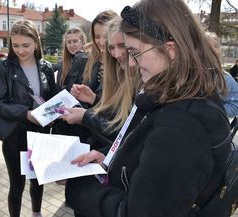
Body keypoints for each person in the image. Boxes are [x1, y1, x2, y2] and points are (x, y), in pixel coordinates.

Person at [65, 1, 231, 217]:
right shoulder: (178, 96)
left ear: (169, 50)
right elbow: (147, 154)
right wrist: (108, 158)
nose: (131, 63)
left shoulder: (182, 127)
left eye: (134, 52)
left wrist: (81, 189)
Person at [0, 20, 56, 217]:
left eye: (26, 45)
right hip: (16, 137)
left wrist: (53, 115)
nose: (20, 50)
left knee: (37, 180)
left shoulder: (46, 67)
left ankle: (37, 214)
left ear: (36, 43)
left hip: (40, 136)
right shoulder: (4, 67)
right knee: (16, 186)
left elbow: (51, 99)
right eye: (15, 45)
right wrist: (26, 114)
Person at [62, 17, 140, 149]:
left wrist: (86, 117)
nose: (116, 54)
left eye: (122, 45)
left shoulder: (142, 79)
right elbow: (116, 117)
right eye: (112, 48)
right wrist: (94, 99)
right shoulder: (119, 72)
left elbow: (128, 134)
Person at [80, 10, 117, 108]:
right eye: (97, 37)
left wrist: (93, 99)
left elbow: (116, 110)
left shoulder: (124, 65)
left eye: (106, 36)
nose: (101, 42)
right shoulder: (91, 59)